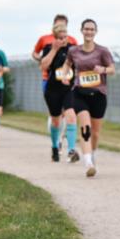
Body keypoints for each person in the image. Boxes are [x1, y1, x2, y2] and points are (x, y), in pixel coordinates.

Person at [57, 19, 114, 178]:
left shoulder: (103, 51)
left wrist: (103, 69)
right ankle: (88, 162)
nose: (89, 32)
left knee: (95, 133)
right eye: (86, 29)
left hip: (98, 95)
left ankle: (92, 153)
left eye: (91, 29)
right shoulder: (74, 51)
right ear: (81, 31)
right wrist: (64, 75)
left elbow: (112, 69)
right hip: (79, 93)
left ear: (95, 32)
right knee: (86, 128)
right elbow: (67, 64)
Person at [33, 15, 79, 148]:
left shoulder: (72, 41)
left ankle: (63, 141)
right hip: (48, 79)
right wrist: (44, 58)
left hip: (67, 82)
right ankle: (55, 138)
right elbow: (35, 54)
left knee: (68, 113)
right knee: (55, 114)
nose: (62, 28)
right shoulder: (45, 40)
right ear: (54, 26)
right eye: (59, 25)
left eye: (64, 25)